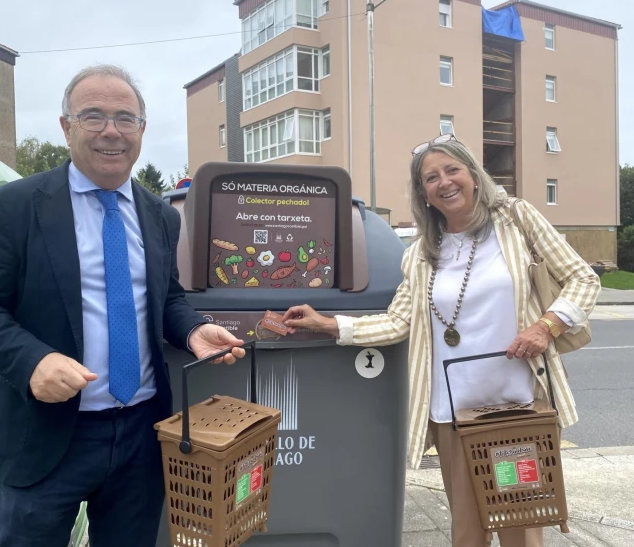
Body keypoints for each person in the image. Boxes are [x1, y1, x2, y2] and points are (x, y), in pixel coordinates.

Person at [283, 134, 600, 547]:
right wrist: (328, 324)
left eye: (453, 170)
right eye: (431, 178)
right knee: (467, 532)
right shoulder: (419, 254)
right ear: (424, 195)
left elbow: (582, 278)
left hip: (517, 407)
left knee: (520, 529)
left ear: (473, 174)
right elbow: (398, 322)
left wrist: (547, 326)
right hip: (454, 414)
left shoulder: (517, 221)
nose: (444, 182)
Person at [0, 65, 246, 547]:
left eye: (124, 118)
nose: (111, 131)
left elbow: (167, 297)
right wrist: (32, 361)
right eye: (93, 116)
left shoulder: (158, 215)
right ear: (66, 127)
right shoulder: (16, 206)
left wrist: (194, 331)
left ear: (142, 130)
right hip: (47, 438)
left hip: (141, 434)